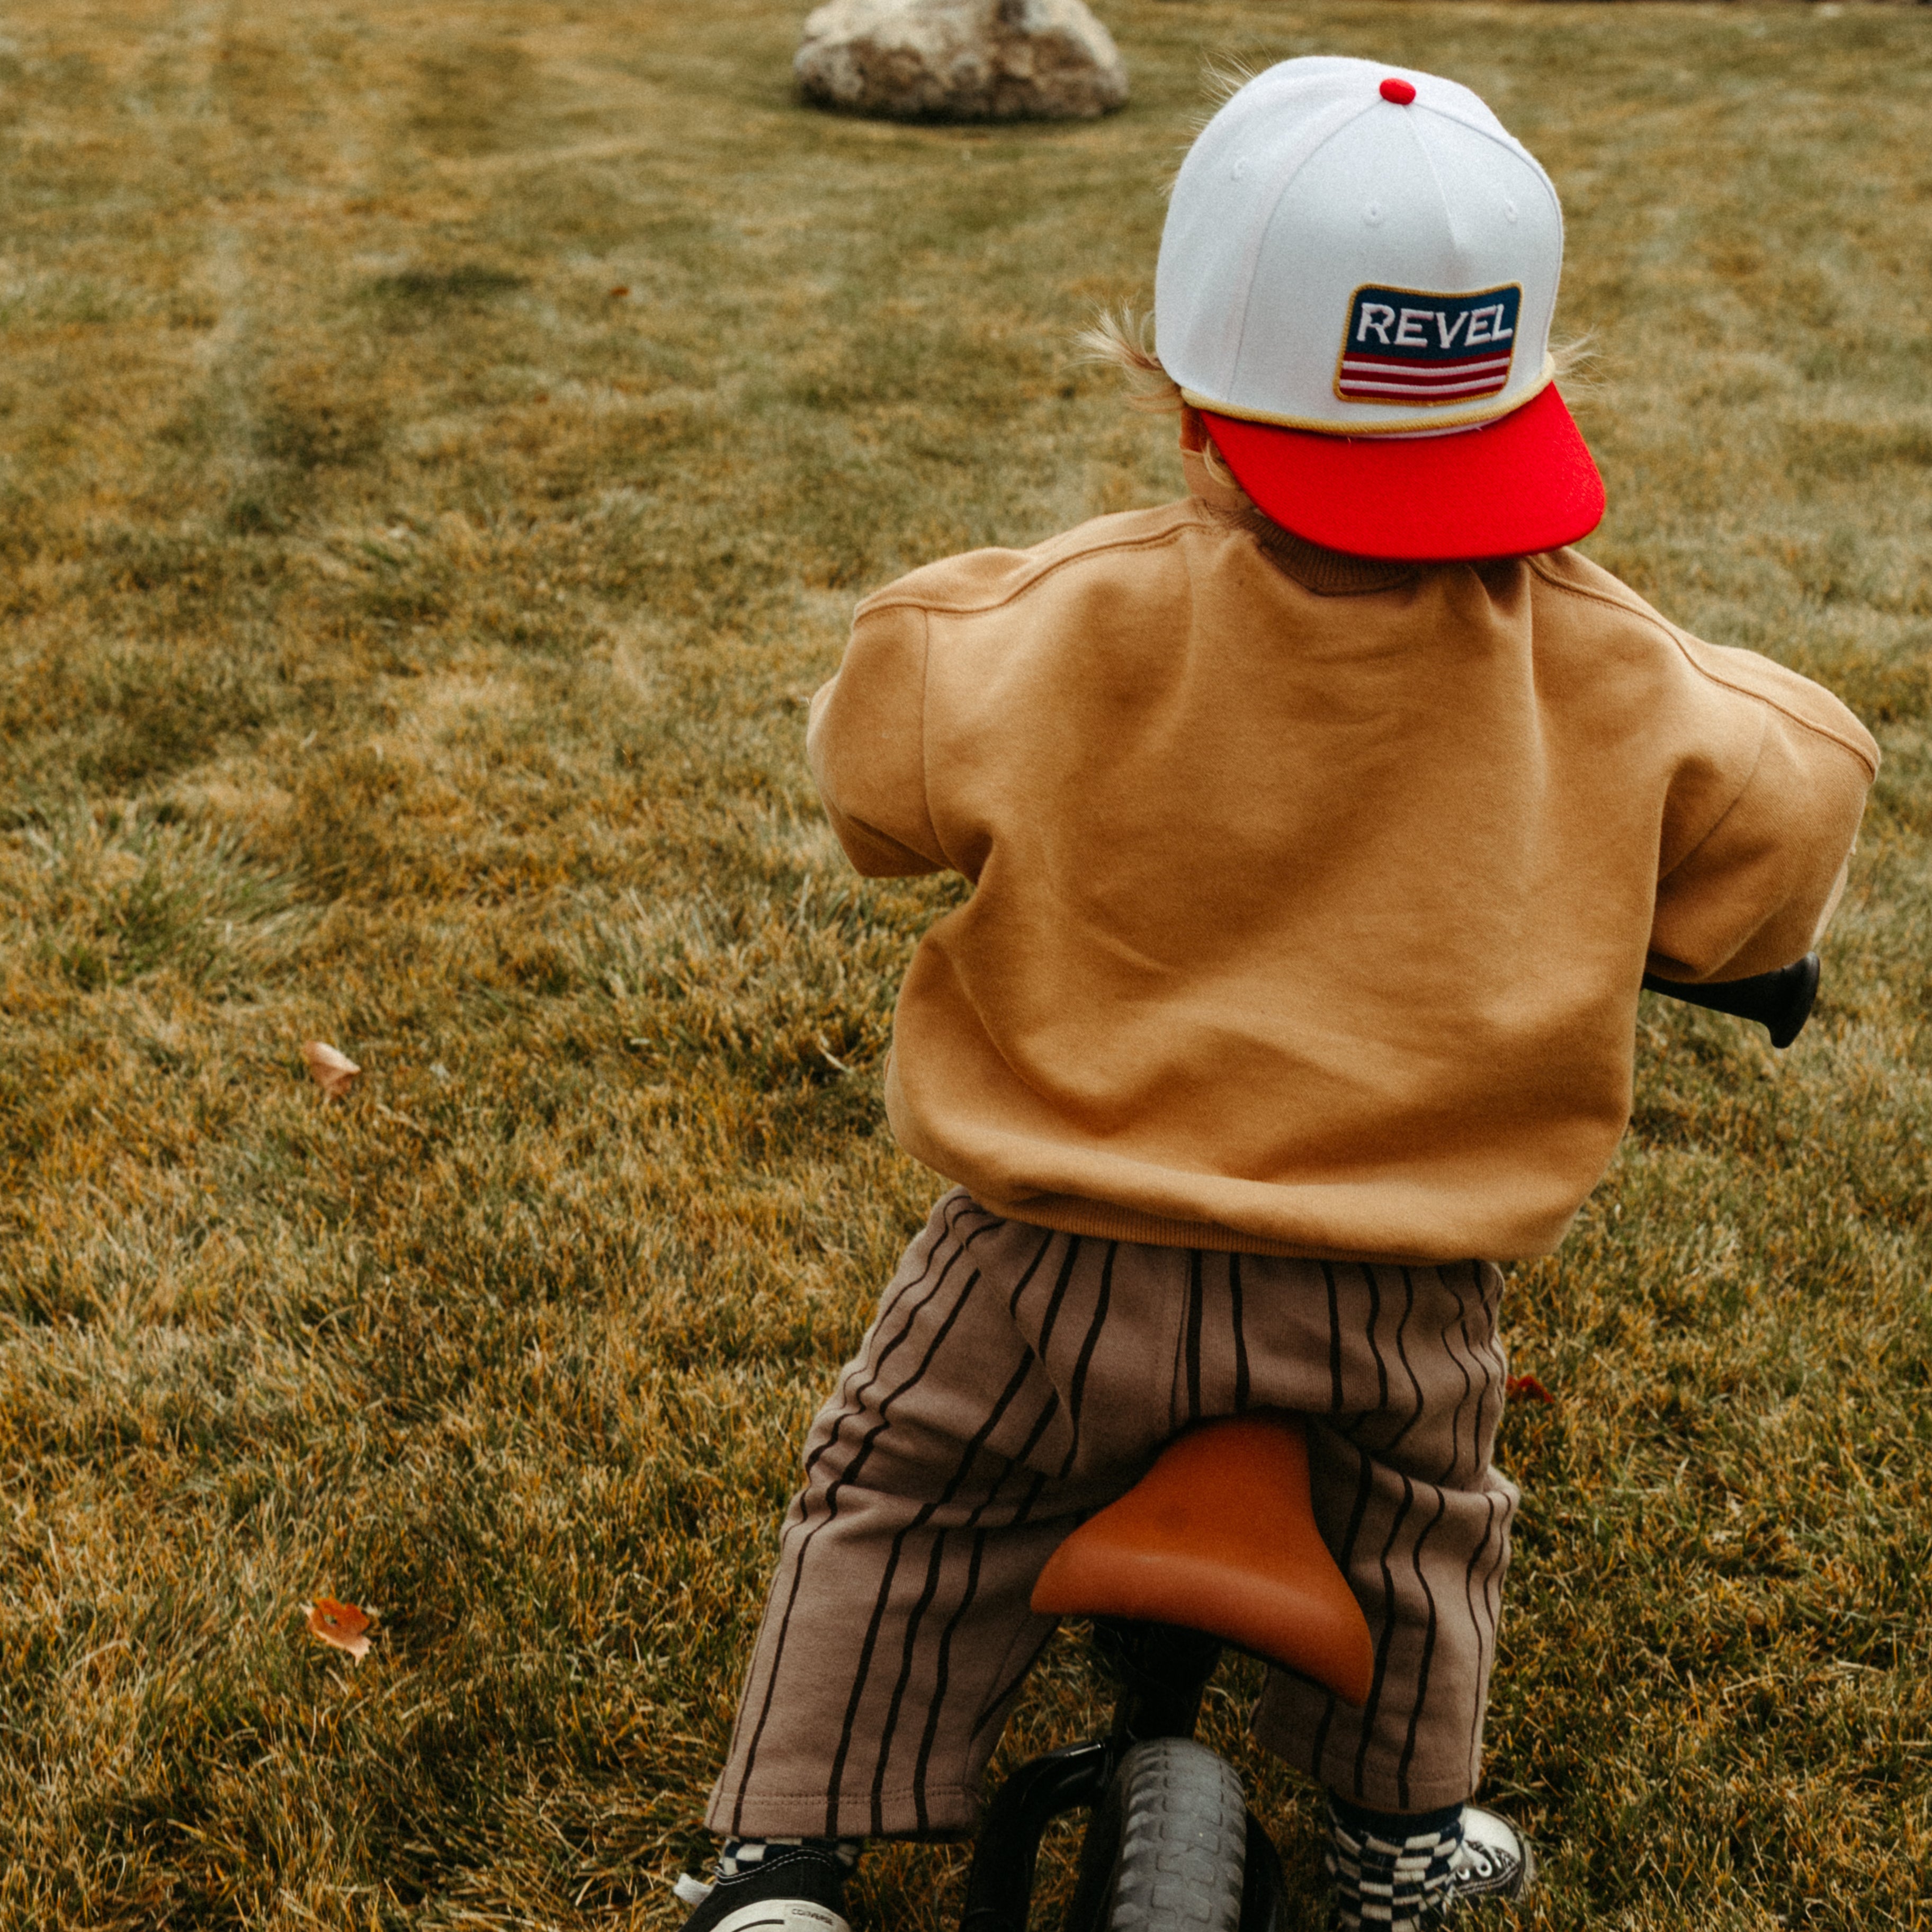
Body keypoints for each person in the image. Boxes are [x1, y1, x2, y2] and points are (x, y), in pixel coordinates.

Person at [672, 56, 1877, 1932]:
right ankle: (1401, 1842)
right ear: (1526, 388)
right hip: (1393, 1297)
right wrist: (1726, 934)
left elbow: (878, 767)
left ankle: (785, 1864)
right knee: (1425, 1536)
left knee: (899, 1493)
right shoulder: (1628, 675)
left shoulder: (1040, 626)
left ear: (1184, 396)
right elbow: (1793, 805)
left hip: (1046, 1261)